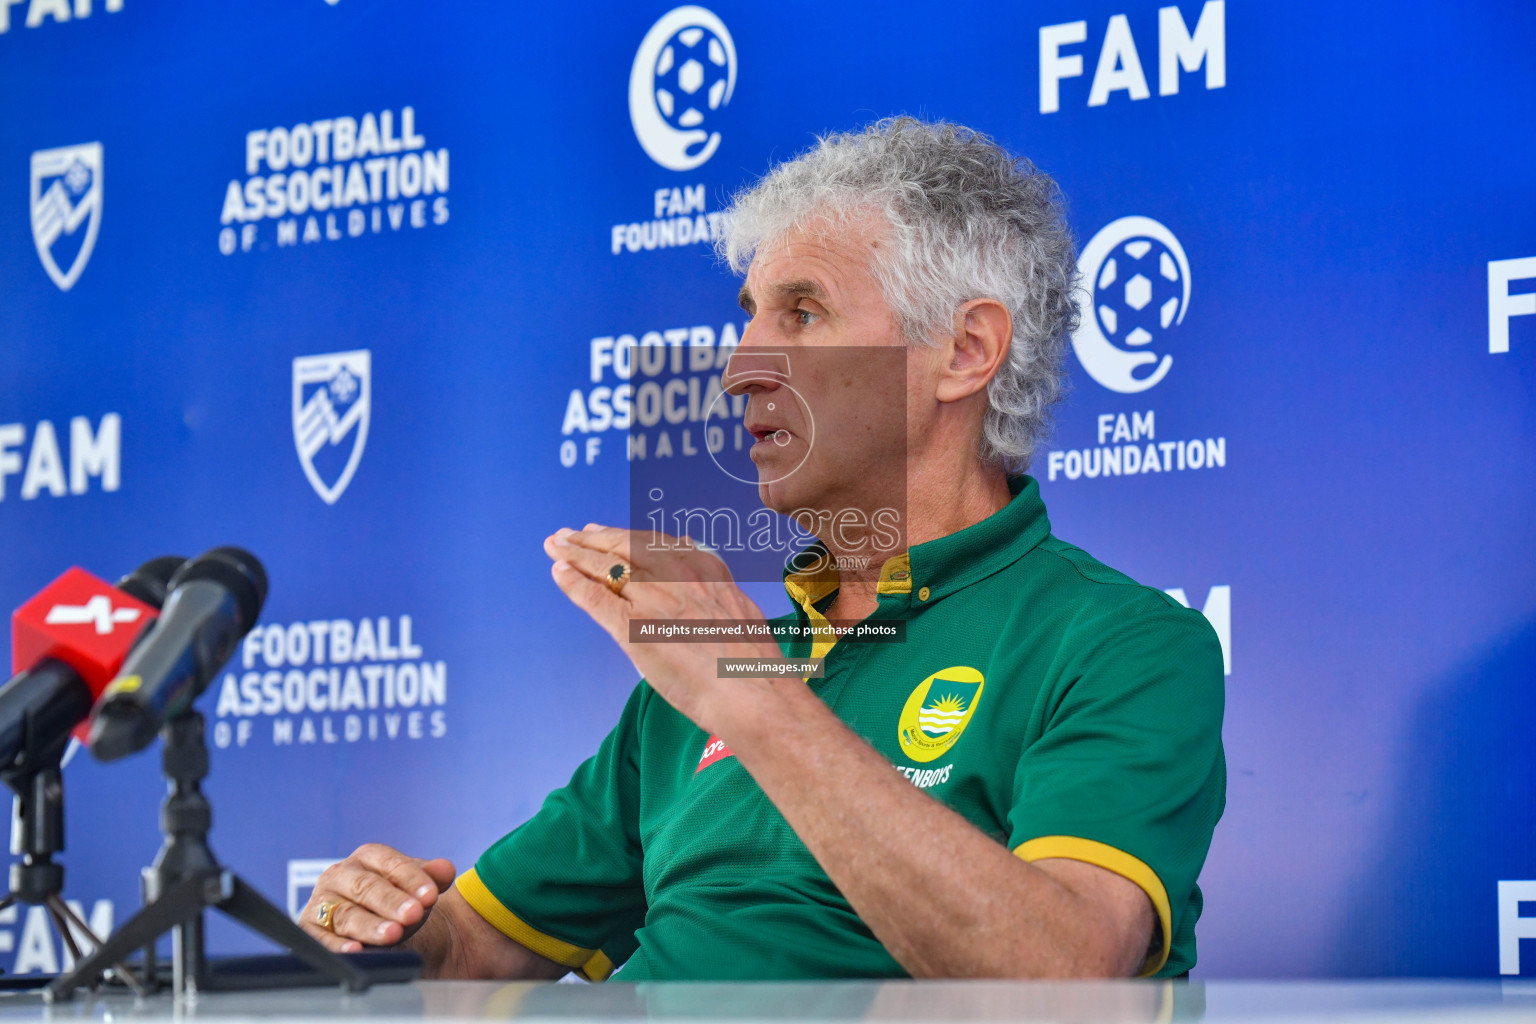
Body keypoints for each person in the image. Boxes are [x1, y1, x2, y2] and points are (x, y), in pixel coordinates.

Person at [298, 118, 1226, 981]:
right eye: (749, 314)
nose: (740, 365)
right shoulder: (717, 666)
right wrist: (393, 931)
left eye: (803, 313)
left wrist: (751, 701)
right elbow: (475, 951)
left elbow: (1062, 975)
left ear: (964, 351)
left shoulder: (1121, 643)